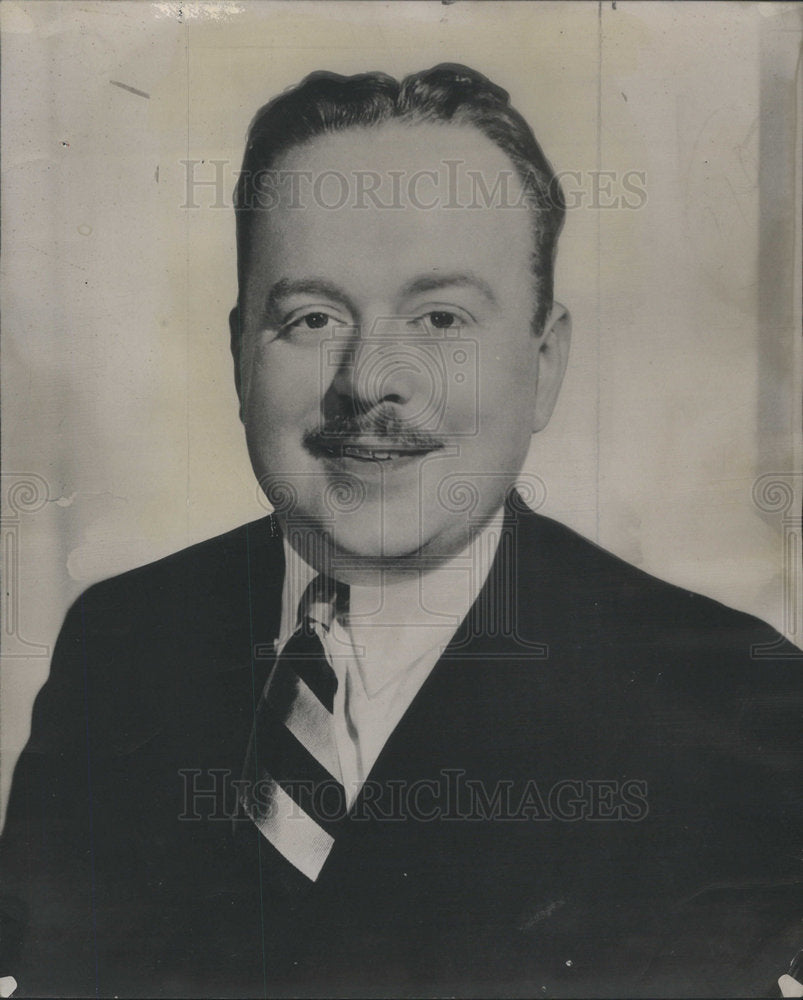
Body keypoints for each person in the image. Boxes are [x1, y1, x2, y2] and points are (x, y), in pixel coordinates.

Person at [1, 64, 800, 999]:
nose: (368, 378)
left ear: (542, 362)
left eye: (439, 317)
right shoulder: (121, 642)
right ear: (236, 356)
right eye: (310, 318)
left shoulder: (733, 703)